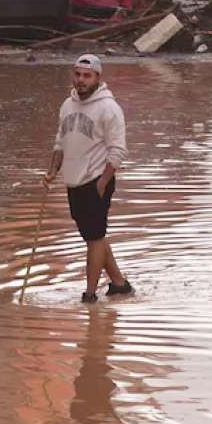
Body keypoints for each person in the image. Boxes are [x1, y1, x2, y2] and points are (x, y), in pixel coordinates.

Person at [44, 54, 132, 304]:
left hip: (96, 180)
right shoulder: (67, 105)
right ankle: (119, 284)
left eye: (87, 76)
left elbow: (118, 151)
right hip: (73, 181)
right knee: (95, 236)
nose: (81, 80)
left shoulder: (109, 108)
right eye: (77, 74)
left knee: (94, 239)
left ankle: (90, 295)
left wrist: (102, 183)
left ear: (97, 78)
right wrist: (52, 172)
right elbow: (60, 142)